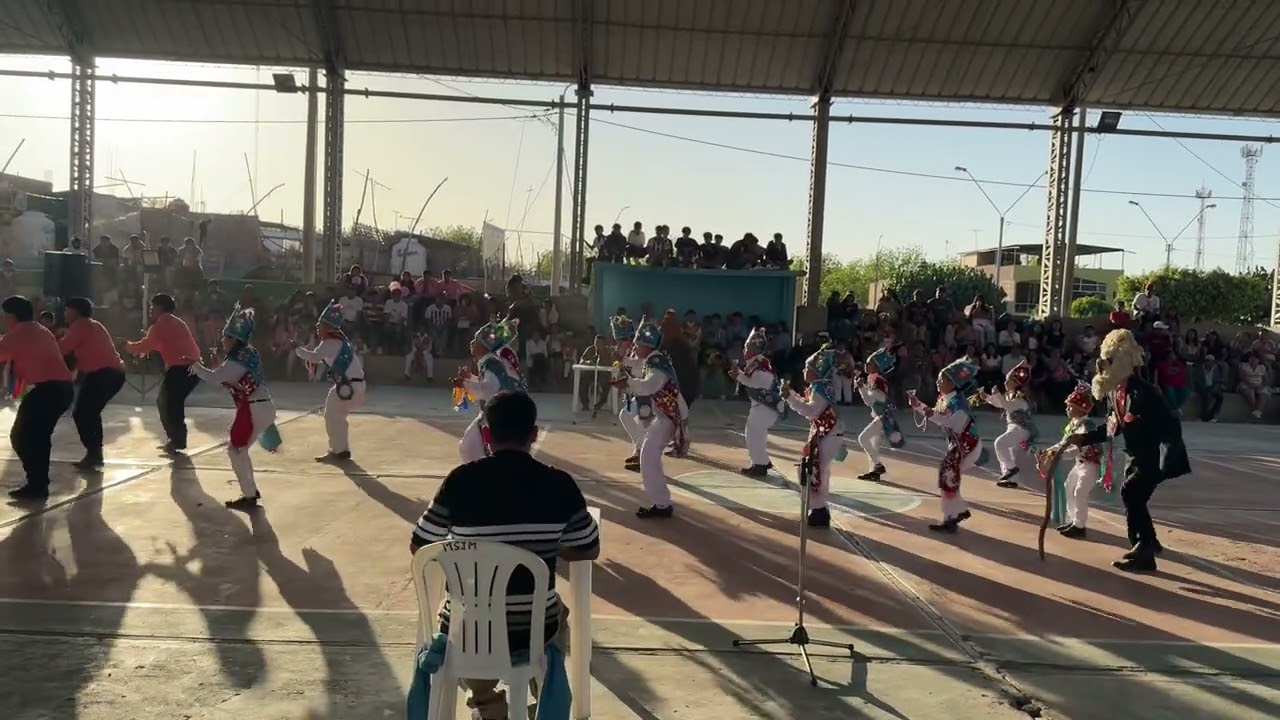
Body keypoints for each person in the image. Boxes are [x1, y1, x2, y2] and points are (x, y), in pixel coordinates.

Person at [409, 391, 601, 720]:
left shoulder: (460, 481)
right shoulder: (559, 484)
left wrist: (463, 554)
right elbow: (588, 547)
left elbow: (421, 544)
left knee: (465, 621)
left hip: (467, 631)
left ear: (487, 435)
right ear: (533, 435)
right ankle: (542, 701)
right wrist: (546, 547)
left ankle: (488, 704)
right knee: (557, 617)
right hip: (533, 629)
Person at [1065, 329, 1189, 572]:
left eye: (1108, 361)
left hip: (1154, 457)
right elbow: (1113, 427)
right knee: (1136, 498)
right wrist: (1083, 438)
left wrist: (1168, 458)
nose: (1102, 366)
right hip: (1135, 456)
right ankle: (1149, 541)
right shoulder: (1114, 392)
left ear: (1120, 361)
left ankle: (1143, 551)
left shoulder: (1144, 392)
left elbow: (1171, 423)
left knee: (1131, 492)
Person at [187, 307, 280, 510]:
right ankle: (250, 491)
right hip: (261, 407)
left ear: (233, 340)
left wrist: (195, 365)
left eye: (225, 337)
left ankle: (249, 495)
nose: (222, 341)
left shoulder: (238, 360)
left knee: (235, 449)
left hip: (254, 409)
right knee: (240, 450)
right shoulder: (248, 354)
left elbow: (214, 377)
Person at [0, 296, 76, 500]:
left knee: (22, 437)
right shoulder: (39, 330)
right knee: (38, 438)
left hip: (49, 390)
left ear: (11, 316)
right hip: (61, 389)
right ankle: (38, 484)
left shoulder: (18, 334)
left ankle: (37, 483)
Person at [611, 317, 688, 519]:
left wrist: (627, 384)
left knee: (648, 455)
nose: (635, 345)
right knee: (649, 455)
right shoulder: (653, 359)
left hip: (670, 415)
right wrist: (625, 362)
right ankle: (661, 503)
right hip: (665, 414)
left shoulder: (656, 364)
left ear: (646, 345)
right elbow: (637, 365)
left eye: (638, 343)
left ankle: (662, 504)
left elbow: (649, 386)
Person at [908, 358, 989, 533]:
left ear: (953, 383)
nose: (938, 382)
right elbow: (938, 415)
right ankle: (955, 513)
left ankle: (953, 515)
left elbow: (955, 424)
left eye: (941, 380)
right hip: (960, 446)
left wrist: (930, 414)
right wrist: (919, 406)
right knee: (949, 476)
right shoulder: (946, 399)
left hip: (968, 447)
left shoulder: (959, 405)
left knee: (948, 475)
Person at [121, 293, 202, 454]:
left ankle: (176, 440)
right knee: (172, 404)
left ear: (159, 308)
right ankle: (177, 440)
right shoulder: (177, 322)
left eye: (152, 306)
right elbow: (166, 345)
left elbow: (144, 347)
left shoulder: (159, 326)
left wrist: (126, 346)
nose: (150, 310)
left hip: (179, 369)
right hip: (194, 369)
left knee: (168, 404)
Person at [58, 297, 126, 470]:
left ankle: (94, 453)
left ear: (75, 311)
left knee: (83, 413)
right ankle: (95, 454)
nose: (65, 313)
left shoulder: (80, 325)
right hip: (111, 373)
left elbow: (62, 348)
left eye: (67, 309)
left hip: (104, 374)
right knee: (90, 413)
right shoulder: (93, 324)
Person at [293, 301, 366, 462]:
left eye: (320, 325)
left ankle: (338, 451)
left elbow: (315, 357)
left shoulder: (330, 342)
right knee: (337, 417)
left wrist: (297, 349)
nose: (317, 328)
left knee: (331, 415)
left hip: (349, 386)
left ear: (327, 326)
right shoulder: (340, 340)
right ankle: (342, 450)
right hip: (355, 386)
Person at [782, 344, 844, 528]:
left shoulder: (820, 388)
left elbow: (811, 411)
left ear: (817, 371)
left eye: (807, 368)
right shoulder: (820, 387)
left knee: (813, 468)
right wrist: (792, 395)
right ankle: (819, 508)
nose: (803, 371)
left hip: (827, 432)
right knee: (816, 468)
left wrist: (789, 397)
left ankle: (818, 510)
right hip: (826, 431)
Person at [455, 317, 526, 463]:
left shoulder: (491, 363)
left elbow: (488, 390)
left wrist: (465, 384)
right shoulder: (492, 362)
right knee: (471, 446)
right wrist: (470, 379)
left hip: (503, 414)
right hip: (506, 411)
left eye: (475, 342)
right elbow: (491, 385)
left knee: (470, 447)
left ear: (483, 346)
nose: (471, 344)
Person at [729, 327, 786, 478]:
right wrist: (739, 375)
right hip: (760, 406)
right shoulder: (755, 363)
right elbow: (752, 381)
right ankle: (761, 461)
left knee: (754, 435)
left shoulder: (760, 364)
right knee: (755, 435)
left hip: (765, 407)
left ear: (754, 350)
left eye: (747, 347)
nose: (744, 350)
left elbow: (757, 383)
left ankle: (759, 465)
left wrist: (739, 377)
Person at [1055, 382, 1105, 539]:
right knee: (1068, 487)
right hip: (1079, 464)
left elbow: (1078, 448)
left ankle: (1079, 525)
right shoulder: (1072, 425)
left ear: (1080, 408)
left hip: (1089, 464)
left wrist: (1059, 455)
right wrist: (1051, 451)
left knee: (1080, 491)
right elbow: (1063, 443)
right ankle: (1073, 520)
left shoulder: (1086, 425)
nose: (1067, 409)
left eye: (1070, 407)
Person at [981, 359, 1036, 488]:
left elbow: (1006, 406)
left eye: (1009, 381)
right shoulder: (1010, 395)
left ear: (1016, 384)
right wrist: (988, 398)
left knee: (1000, 444)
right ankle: (1009, 477)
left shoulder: (1020, 399)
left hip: (1021, 429)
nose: (1005, 382)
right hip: (1013, 427)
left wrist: (997, 394)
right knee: (1009, 452)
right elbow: (1000, 403)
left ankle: (1011, 470)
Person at [855, 346, 907, 482]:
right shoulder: (875, 378)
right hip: (882, 416)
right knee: (873, 443)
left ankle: (877, 466)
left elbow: (869, 400)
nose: (866, 365)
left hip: (883, 417)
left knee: (864, 438)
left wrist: (861, 387)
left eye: (869, 363)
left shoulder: (875, 379)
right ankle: (874, 471)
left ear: (876, 366)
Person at [610, 315, 648, 471]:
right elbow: (616, 368)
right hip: (639, 393)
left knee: (637, 421)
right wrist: (619, 357)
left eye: (623, 339)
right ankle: (639, 452)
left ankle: (642, 454)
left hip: (651, 393)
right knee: (627, 416)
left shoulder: (641, 349)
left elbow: (638, 366)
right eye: (619, 340)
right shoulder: (626, 351)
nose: (620, 343)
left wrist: (622, 358)